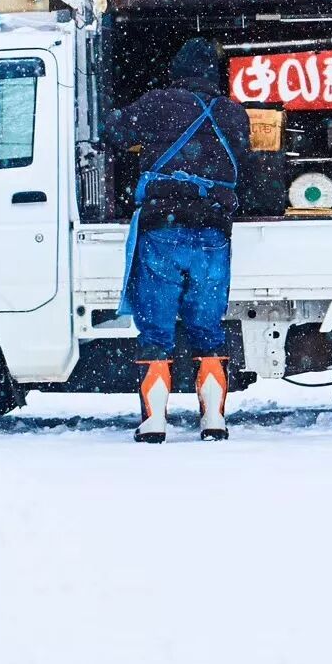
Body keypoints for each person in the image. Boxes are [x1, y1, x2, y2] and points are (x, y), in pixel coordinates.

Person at [104, 37, 252, 444]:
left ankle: (154, 423)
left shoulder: (159, 102)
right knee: (208, 329)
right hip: (214, 232)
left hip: (163, 231)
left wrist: (117, 113)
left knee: (156, 332)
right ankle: (213, 420)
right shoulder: (233, 113)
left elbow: (115, 131)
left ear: (176, 71)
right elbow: (246, 159)